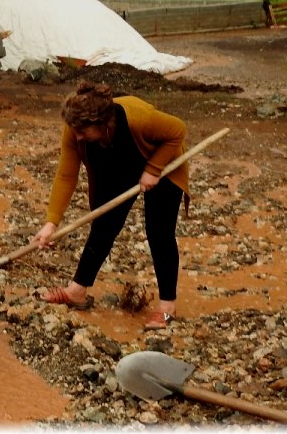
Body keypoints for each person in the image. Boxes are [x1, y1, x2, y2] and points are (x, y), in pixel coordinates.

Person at [30, 80, 189, 331]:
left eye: (83, 131)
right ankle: (77, 291)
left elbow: (178, 130)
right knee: (103, 226)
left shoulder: (140, 119)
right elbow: (66, 176)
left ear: (102, 124)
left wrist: (153, 169)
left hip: (163, 161)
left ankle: (167, 308)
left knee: (159, 233)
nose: (78, 136)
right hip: (120, 164)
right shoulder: (75, 128)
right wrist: (51, 223)